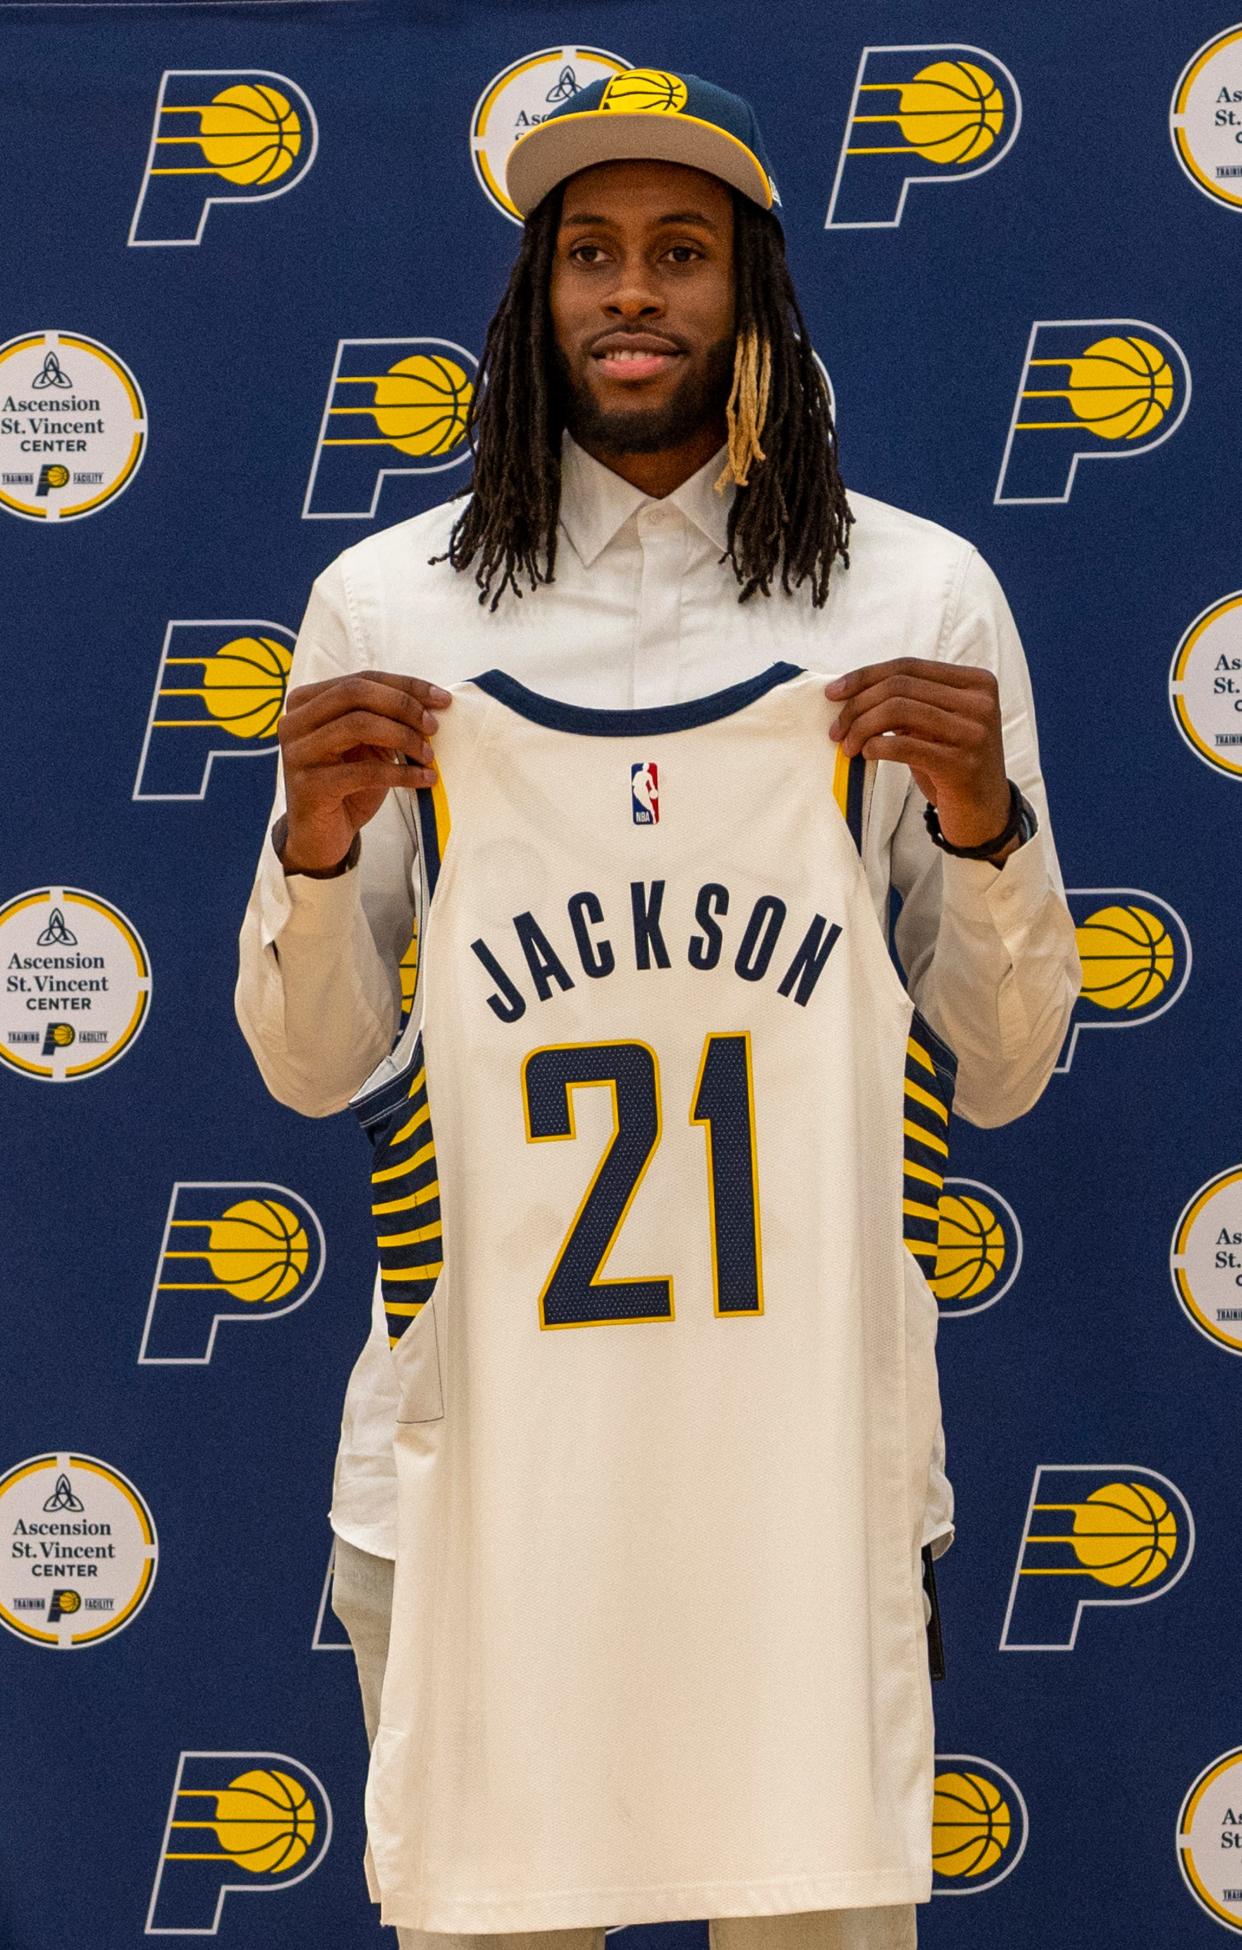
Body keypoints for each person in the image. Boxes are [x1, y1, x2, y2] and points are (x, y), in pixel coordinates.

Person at [235, 69, 1080, 1950]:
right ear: (536, 298)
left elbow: (1009, 1070)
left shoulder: (916, 598)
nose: (635, 293)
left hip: (810, 1467)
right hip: (474, 1464)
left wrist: (985, 822)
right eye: (593, 254)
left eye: (681, 254)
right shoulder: (390, 606)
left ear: (754, 294)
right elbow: (308, 1073)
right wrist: (306, 852)